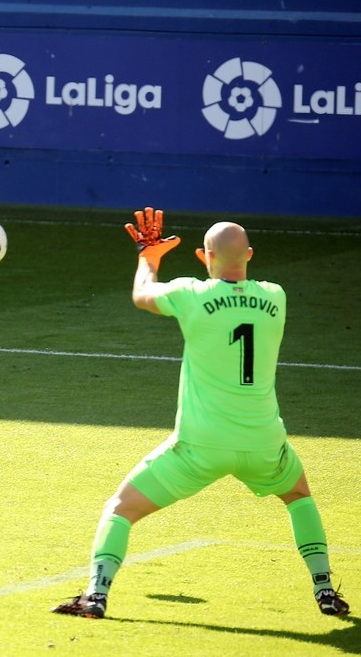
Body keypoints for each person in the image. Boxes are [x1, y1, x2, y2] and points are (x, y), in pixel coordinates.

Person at [52, 207, 350, 620]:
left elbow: (142, 295)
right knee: (298, 496)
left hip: (200, 446)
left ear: (202, 257)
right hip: (264, 442)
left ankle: (95, 596)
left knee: (120, 508)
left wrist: (149, 257)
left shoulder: (191, 294)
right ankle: (324, 591)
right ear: (249, 254)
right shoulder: (275, 296)